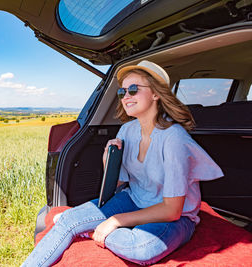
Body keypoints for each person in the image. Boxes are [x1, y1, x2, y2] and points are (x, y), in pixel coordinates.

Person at [21, 60, 224, 266]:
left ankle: (91, 230)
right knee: (67, 221)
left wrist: (115, 221)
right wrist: (107, 159)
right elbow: (116, 185)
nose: (126, 96)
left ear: (156, 94)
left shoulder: (174, 139)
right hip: (133, 200)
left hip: (176, 217)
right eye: (122, 92)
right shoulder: (127, 130)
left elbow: (172, 210)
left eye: (134, 89)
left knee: (142, 248)